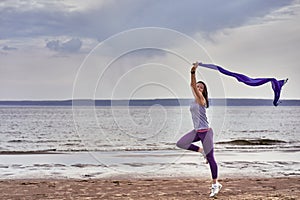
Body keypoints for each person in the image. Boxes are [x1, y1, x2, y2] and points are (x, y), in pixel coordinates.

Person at [176, 62, 222, 198]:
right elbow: (192, 86)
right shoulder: (193, 100)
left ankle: (215, 184)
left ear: (203, 91)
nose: (199, 88)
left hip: (206, 132)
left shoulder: (202, 100)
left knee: (211, 158)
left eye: (201, 87)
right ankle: (201, 151)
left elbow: (192, 86)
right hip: (197, 131)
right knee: (181, 143)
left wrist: (193, 72)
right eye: (198, 87)